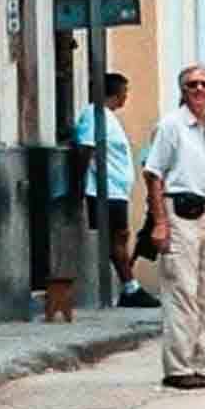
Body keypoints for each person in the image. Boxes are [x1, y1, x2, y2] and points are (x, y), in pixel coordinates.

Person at [143, 64, 205, 390]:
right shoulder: (171, 126)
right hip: (181, 212)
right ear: (182, 90)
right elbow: (153, 174)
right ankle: (179, 367)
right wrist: (160, 222)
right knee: (181, 289)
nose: (199, 89)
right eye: (191, 85)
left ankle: (197, 362)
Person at [74, 72, 161, 308]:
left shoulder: (108, 117)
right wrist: (79, 184)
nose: (126, 96)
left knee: (121, 236)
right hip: (105, 190)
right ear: (114, 92)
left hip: (116, 189)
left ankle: (128, 284)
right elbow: (85, 148)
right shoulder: (94, 115)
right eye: (125, 91)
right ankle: (129, 287)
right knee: (117, 237)